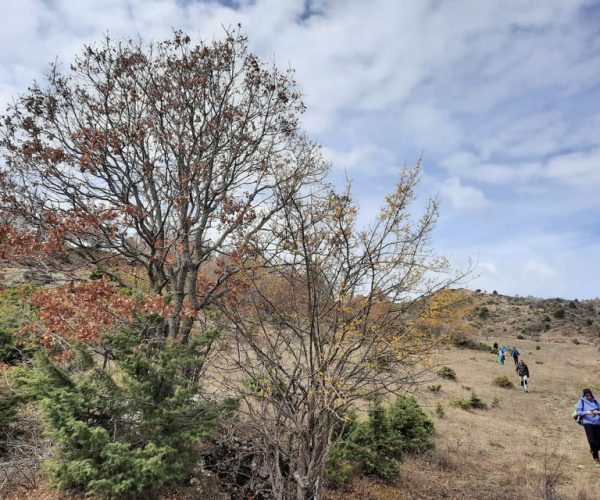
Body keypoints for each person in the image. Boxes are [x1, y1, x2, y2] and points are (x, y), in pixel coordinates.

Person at [575, 388, 600, 466]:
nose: (589, 397)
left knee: (599, 441)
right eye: (587, 395)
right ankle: (596, 457)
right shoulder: (581, 402)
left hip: (598, 423)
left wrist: (597, 412)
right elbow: (579, 412)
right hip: (588, 423)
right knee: (592, 441)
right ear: (584, 396)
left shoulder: (596, 402)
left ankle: (593, 450)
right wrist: (587, 412)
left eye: (590, 395)